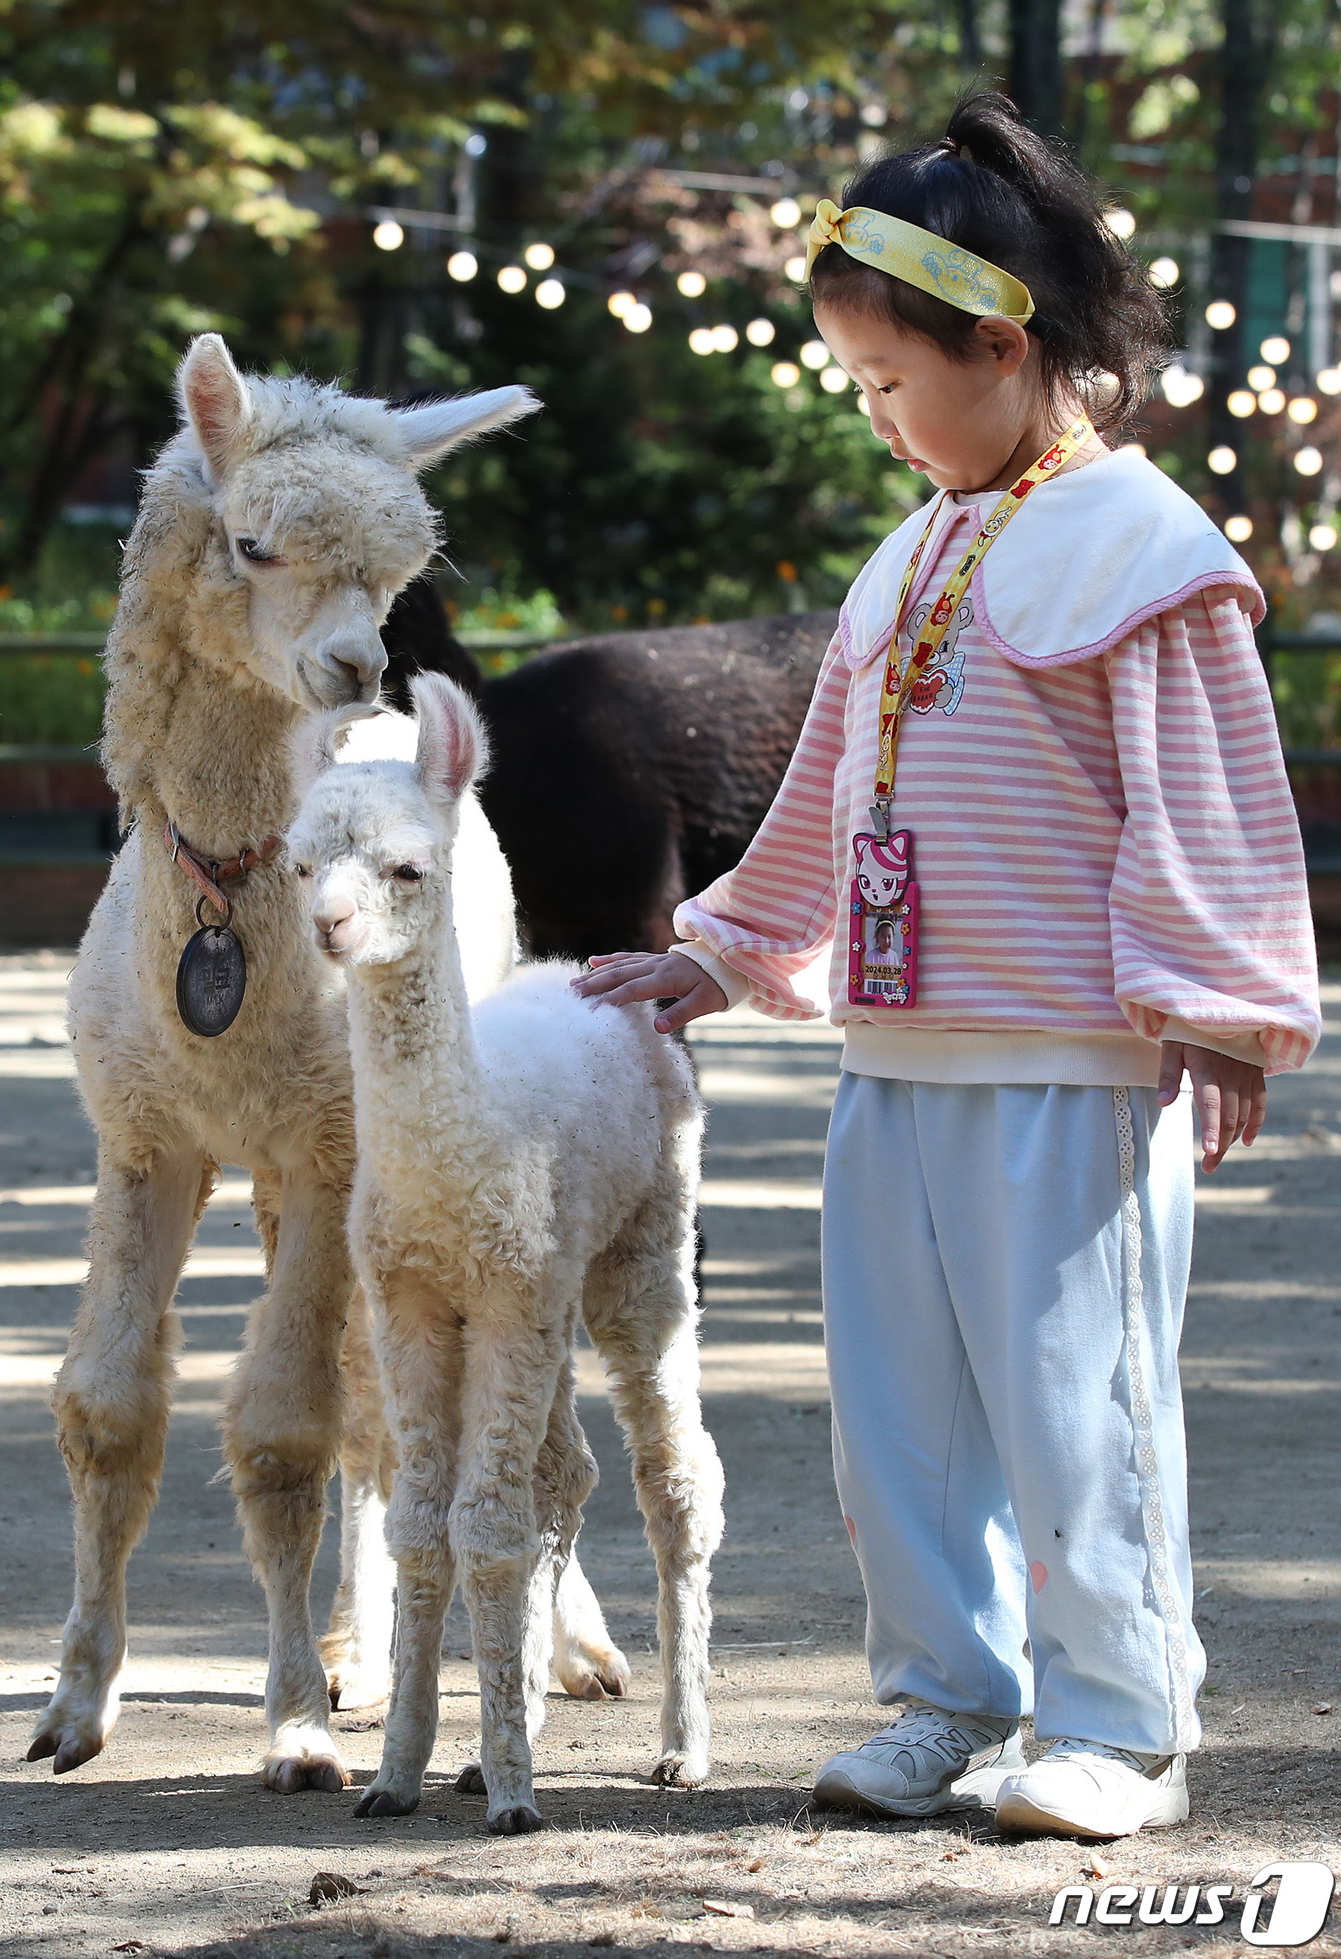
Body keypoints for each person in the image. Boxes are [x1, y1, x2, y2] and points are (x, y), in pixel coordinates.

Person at [573, 89, 1321, 1843]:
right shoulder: (910, 551)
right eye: (862, 393)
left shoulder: (1147, 551)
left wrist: (1215, 1014)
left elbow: (1204, 791)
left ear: (1007, 341)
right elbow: (829, 789)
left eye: (895, 385)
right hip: (899, 1063)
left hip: (1070, 1062)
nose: (884, 422)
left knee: (1081, 1407)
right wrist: (724, 952)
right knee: (896, 1419)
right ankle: (943, 1695)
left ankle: (1120, 1725)